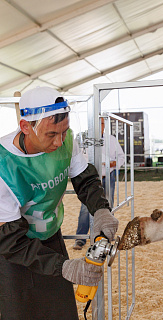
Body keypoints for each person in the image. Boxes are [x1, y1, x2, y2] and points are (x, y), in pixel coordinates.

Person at [0, 87, 119, 320]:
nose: (59, 141)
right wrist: (63, 267)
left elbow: (85, 180)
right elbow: (10, 239)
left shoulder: (66, 140)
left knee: (61, 311)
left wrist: (101, 209)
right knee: (21, 313)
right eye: (51, 134)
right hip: (13, 252)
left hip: (51, 239)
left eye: (64, 132)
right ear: (25, 127)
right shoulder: (4, 165)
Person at [73, 117, 125, 250]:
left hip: (108, 175)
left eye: (101, 123)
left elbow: (121, 157)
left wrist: (113, 164)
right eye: (96, 124)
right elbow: (80, 158)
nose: (99, 126)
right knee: (85, 207)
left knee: (108, 204)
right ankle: (81, 238)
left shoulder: (111, 139)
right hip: (91, 177)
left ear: (104, 125)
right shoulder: (83, 140)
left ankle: (106, 235)